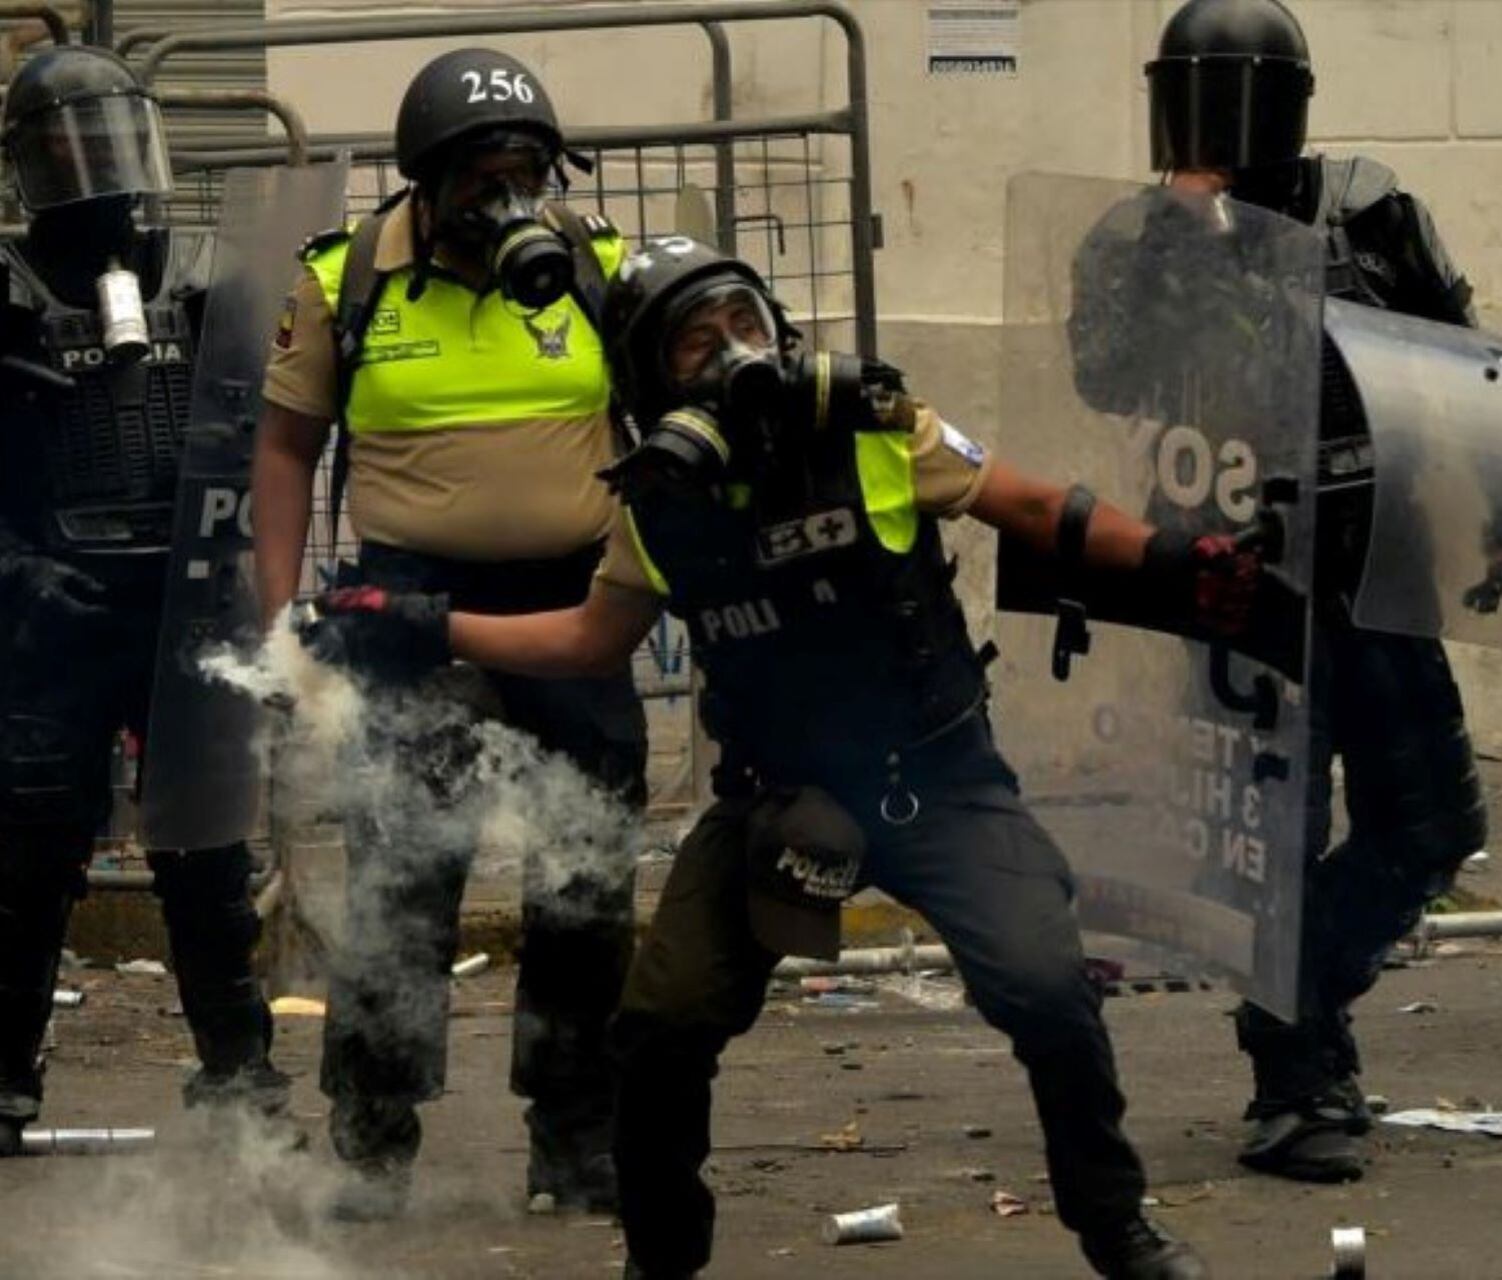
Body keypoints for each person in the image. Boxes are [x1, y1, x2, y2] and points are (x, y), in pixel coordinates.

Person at [295, 237, 1253, 1278]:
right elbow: (588, 638)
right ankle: (662, 1260)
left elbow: (1029, 506)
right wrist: (426, 624)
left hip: (937, 783)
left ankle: (1118, 1229)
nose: (732, 355)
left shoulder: (875, 431)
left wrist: (1175, 561)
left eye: (744, 324)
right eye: (696, 341)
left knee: (1050, 991)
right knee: (657, 1028)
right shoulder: (660, 504)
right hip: (771, 798)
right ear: (652, 380)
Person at [1071, 0, 1487, 1183]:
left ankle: (1292, 999)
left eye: (1239, 97)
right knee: (1267, 846)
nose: (1220, 124)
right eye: (1195, 98)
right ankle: (1297, 1081)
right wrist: (1182, 240)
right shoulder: (1133, 237)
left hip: (1373, 560)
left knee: (1434, 824)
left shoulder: (1371, 207)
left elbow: (1461, 356)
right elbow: (1104, 375)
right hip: (1231, 575)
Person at [251, 47, 644, 1218]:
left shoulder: (594, 265)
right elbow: (285, 449)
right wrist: (280, 620)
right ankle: (374, 1146)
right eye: (484, 179)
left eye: (528, 173)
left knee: (586, 877)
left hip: (573, 601)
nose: (510, 199)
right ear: (427, 181)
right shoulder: (347, 280)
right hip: (405, 606)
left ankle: (576, 1138)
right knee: (403, 875)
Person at [0, 45, 289, 1154]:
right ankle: (6, 1079)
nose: (98, 171)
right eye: (67, 148)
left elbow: (269, 433)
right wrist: (22, 577)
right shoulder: (9, 295)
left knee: (207, 858)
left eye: (110, 139)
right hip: (53, 616)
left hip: (186, 599)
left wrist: (248, 574)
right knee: (29, 860)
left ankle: (240, 1074)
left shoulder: (209, 277)